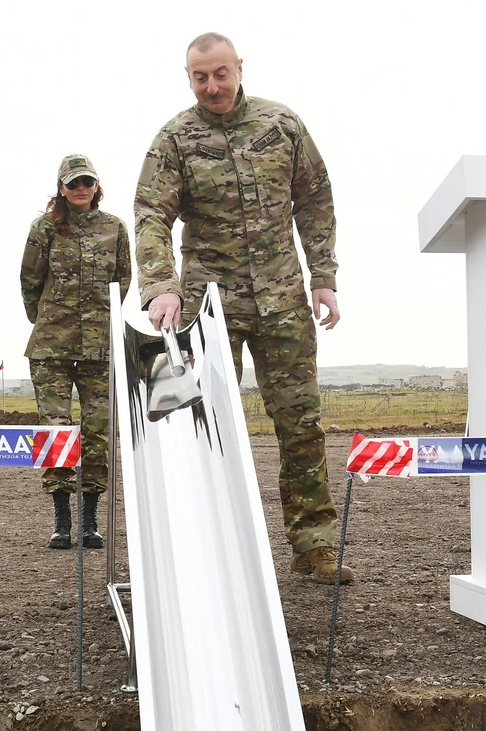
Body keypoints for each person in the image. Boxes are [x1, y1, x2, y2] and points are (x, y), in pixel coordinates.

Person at [134, 32, 352, 584]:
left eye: (220, 74)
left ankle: (314, 545)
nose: (212, 86)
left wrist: (323, 277)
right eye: (200, 77)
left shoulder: (282, 125)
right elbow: (151, 213)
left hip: (284, 300)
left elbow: (316, 197)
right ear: (188, 78)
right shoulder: (175, 140)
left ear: (238, 69)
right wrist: (161, 285)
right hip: (210, 306)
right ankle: (208, 549)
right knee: (202, 425)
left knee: (300, 425)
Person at [21, 154, 132, 550]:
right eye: (73, 183)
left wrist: (98, 324)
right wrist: (51, 321)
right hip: (51, 348)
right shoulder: (45, 229)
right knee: (56, 432)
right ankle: (61, 520)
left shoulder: (114, 228)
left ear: (96, 186)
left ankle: (90, 520)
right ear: (61, 189)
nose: (80, 189)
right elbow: (29, 284)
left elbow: (122, 281)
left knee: (97, 432)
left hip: (99, 349)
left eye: (86, 182)